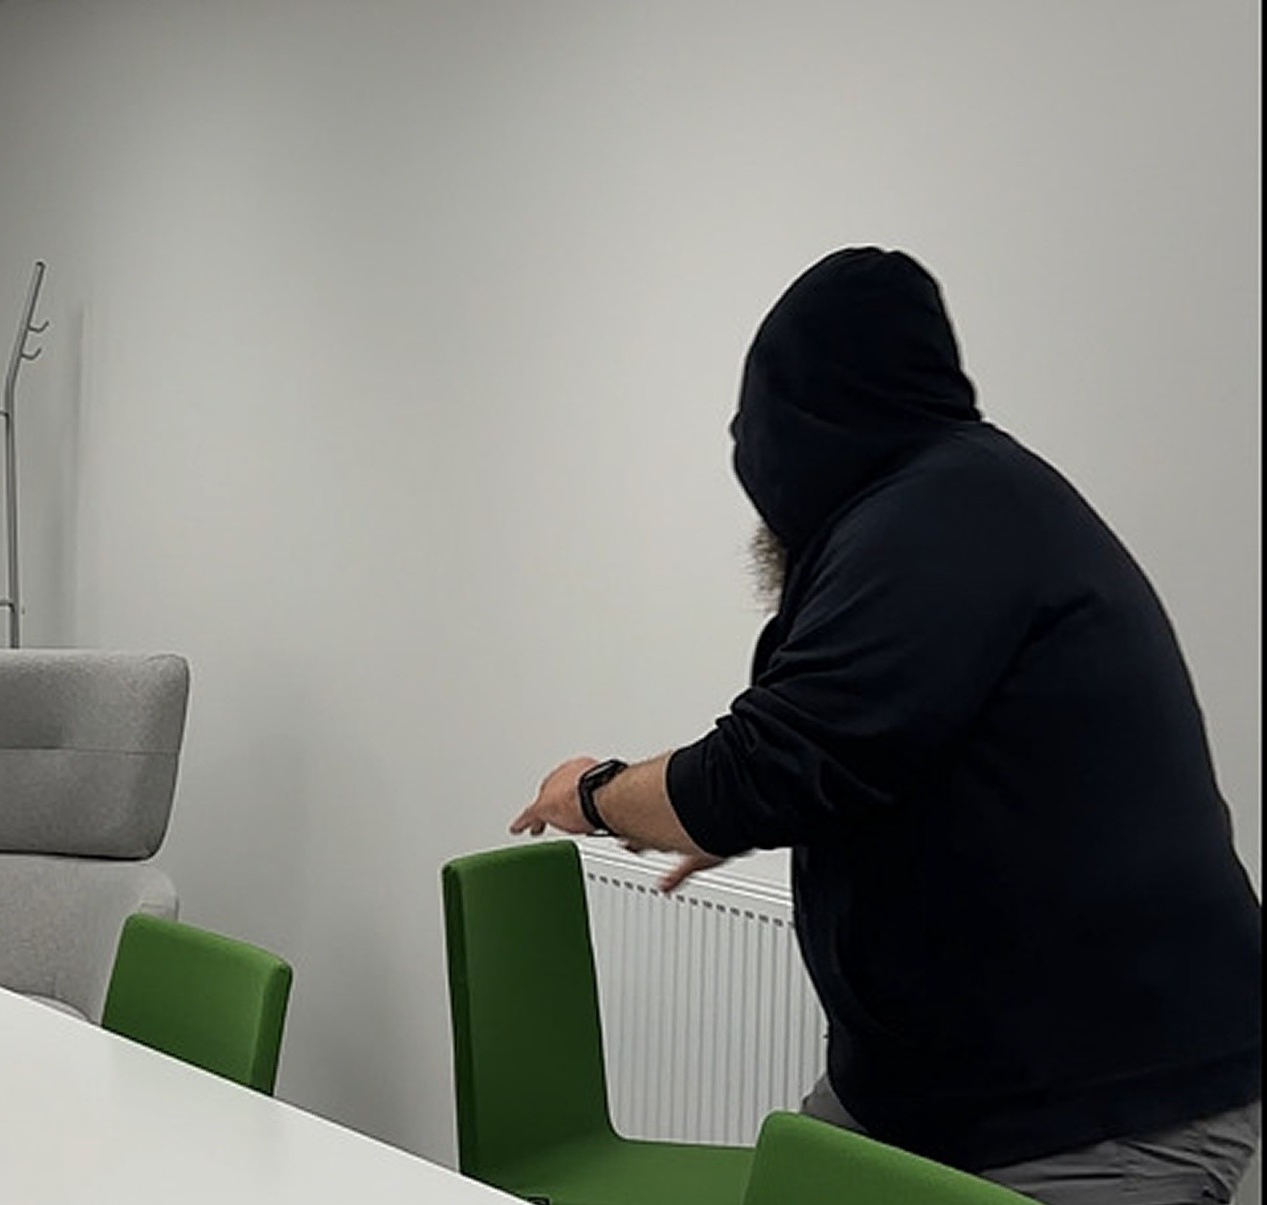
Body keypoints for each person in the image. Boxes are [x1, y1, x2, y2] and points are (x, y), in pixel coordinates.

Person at [508, 248, 1261, 1204]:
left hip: (1096, 1108)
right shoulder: (967, 500)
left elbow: (767, 763)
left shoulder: (940, 511)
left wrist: (593, 793)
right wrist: (734, 814)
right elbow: (870, 748)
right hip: (941, 1093)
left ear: (797, 433)